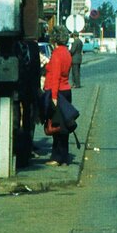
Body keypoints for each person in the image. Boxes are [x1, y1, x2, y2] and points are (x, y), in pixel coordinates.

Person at [44, 29, 74, 166]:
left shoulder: (56, 54)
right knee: (64, 127)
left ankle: (57, 158)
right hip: (66, 91)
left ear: (54, 39)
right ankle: (64, 157)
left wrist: (54, 97)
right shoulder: (66, 52)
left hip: (58, 92)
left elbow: (55, 76)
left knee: (56, 126)